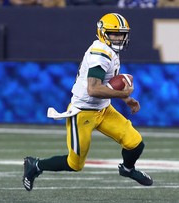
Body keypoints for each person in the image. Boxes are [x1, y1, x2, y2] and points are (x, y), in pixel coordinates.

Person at [22, 13, 153, 192]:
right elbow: (94, 89)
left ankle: (128, 169)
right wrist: (123, 93)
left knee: (135, 142)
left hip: (104, 109)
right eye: (114, 34)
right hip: (82, 112)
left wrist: (127, 99)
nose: (119, 38)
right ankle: (35, 165)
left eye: (122, 34)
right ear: (102, 33)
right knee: (75, 164)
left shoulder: (109, 51)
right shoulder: (99, 54)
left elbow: (108, 84)